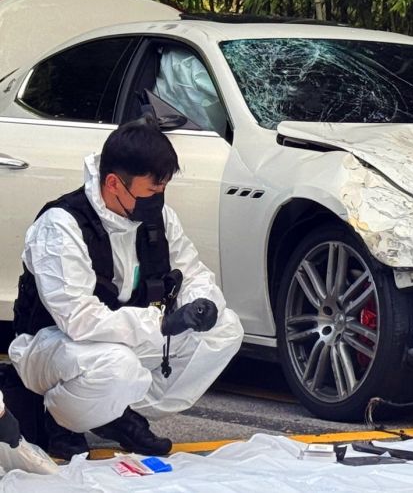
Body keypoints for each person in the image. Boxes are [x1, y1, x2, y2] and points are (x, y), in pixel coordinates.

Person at [8, 118, 244, 460]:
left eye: (163, 190)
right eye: (151, 191)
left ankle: (112, 413)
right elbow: (78, 319)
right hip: (51, 346)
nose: (158, 200)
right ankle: (61, 419)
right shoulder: (61, 226)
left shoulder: (157, 220)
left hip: (123, 339)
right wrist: (161, 325)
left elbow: (190, 270)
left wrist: (202, 304)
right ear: (114, 183)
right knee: (116, 365)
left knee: (225, 329)